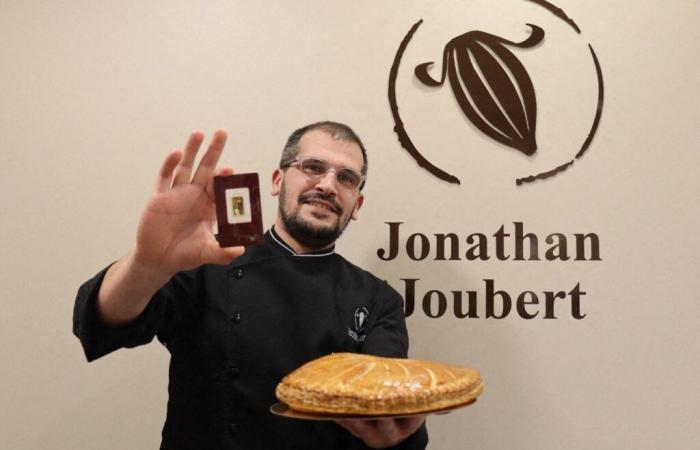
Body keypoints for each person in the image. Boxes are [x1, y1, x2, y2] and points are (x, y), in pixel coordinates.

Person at [73, 121, 429, 449]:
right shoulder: (211, 258)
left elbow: (392, 403)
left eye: (347, 178)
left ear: (356, 205)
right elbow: (108, 318)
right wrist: (146, 264)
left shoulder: (378, 299)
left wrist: (396, 432)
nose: (327, 185)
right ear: (277, 181)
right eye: (312, 167)